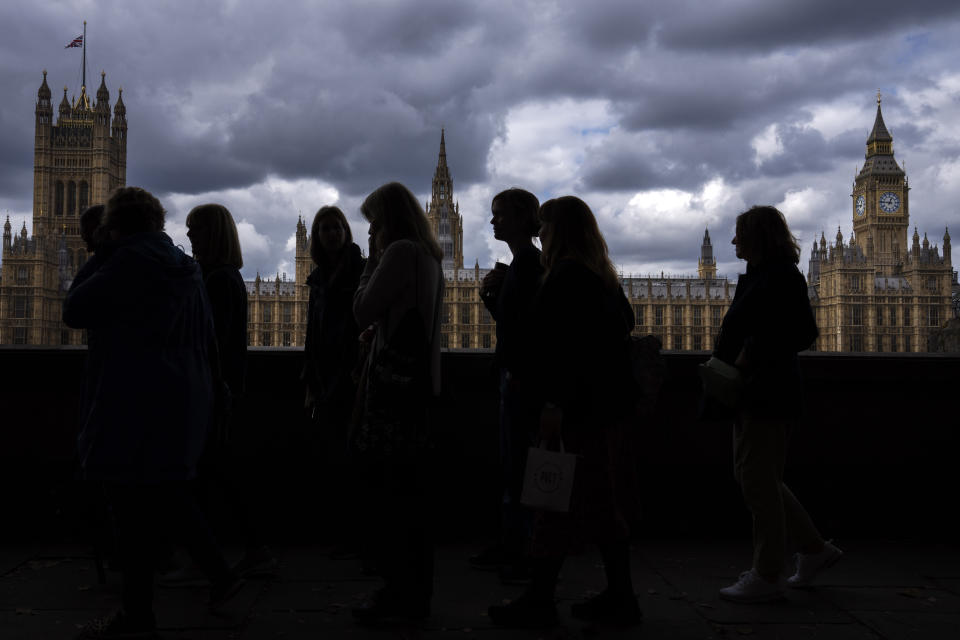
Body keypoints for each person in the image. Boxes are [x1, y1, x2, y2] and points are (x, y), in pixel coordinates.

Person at [66, 187, 242, 639]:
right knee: (168, 490)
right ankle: (221, 574)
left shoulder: (126, 260)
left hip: (134, 393)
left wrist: (102, 253)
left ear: (116, 226)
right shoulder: (187, 267)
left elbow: (74, 308)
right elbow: (207, 337)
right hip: (185, 392)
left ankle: (137, 615)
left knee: (129, 505)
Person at [488, 196, 641, 628]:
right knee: (598, 504)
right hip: (603, 406)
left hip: (575, 409)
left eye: (546, 227)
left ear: (562, 231)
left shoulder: (567, 275)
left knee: (552, 501)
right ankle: (620, 595)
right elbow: (621, 326)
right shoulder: (601, 274)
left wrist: (552, 404)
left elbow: (555, 348)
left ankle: (542, 600)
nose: (541, 234)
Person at [714, 205, 841, 603]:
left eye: (739, 234)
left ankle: (768, 573)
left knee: (756, 482)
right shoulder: (760, 275)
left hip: (768, 391)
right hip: (751, 391)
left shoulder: (782, 276)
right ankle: (815, 550)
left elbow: (803, 332)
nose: (734, 241)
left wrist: (752, 352)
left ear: (758, 237)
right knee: (759, 478)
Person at [350, 182, 444, 625]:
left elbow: (361, 309)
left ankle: (396, 594)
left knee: (391, 493)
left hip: (393, 391)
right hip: (421, 385)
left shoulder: (399, 252)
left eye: (374, 224)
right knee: (413, 496)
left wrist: (370, 263)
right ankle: (414, 593)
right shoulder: (430, 255)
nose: (372, 233)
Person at [185, 203, 277, 578]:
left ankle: (217, 561)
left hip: (214, 391)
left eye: (195, 228)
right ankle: (240, 553)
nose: (189, 235)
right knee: (219, 475)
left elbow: (212, 341)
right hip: (221, 388)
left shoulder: (219, 279)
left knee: (213, 476)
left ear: (213, 234)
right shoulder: (221, 276)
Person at [472, 188, 543, 583]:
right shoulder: (519, 264)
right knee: (512, 468)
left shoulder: (530, 264)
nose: (493, 220)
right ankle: (514, 544)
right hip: (514, 377)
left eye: (499, 214)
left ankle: (522, 551)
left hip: (522, 382)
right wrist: (489, 292)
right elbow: (509, 318)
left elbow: (526, 327)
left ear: (520, 218)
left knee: (520, 468)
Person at [300, 205, 365, 551]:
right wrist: (310, 377)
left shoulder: (359, 270)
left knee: (348, 457)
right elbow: (313, 332)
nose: (331, 234)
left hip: (348, 376)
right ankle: (336, 532)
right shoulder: (318, 275)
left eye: (336, 227)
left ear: (346, 231)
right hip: (323, 377)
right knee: (330, 457)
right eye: (324, 228)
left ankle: (352, 536)